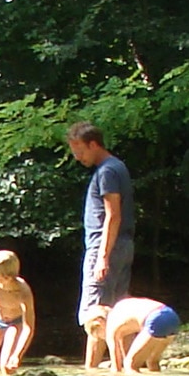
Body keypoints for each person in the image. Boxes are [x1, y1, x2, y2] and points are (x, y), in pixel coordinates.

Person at [66, 121, 132, 336]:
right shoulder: (117, 166)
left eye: (80, 151)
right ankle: (126, 357)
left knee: (94, 315)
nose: (78, 157)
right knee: (118, 312)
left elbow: (113, 215)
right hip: (123, 246)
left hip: (105, 246)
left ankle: (93, 362)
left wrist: (102, 257)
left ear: (93, 144)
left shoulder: (107, 172)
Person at [98, 295, 181, 376]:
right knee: (152, 362)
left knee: (130, 365)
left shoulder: (111, 323)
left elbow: (116, 367)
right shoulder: (121, 310)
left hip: (154, 318)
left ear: (101, 323)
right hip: (172, 316)